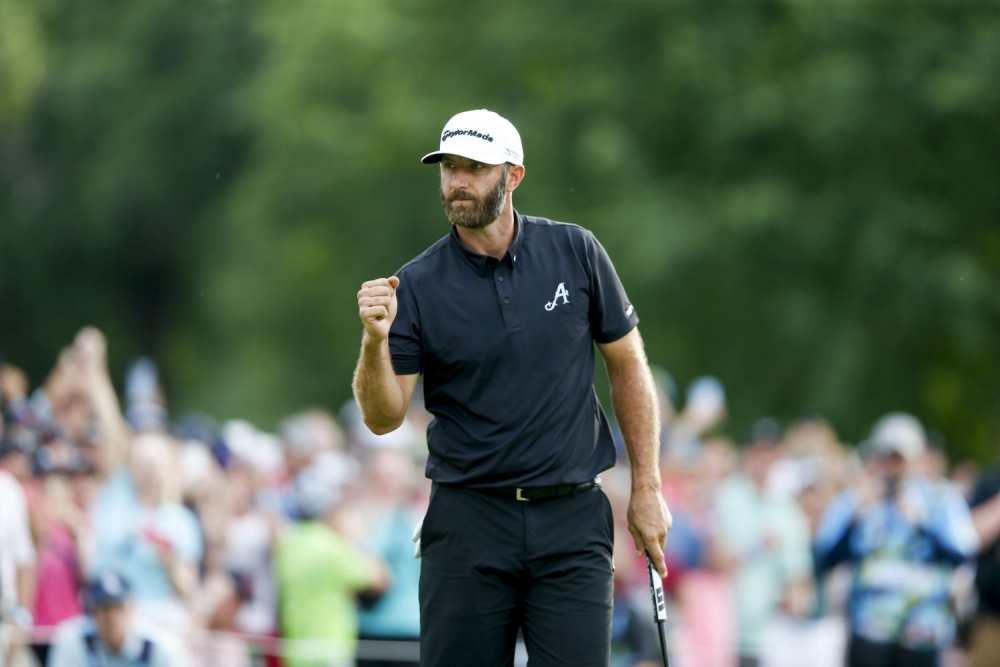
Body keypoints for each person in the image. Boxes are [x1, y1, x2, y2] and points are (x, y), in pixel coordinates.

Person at [352, 108, 672, 666]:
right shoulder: (417, 284)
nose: (457, 182)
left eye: (474, 168)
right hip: (468, 521)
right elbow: (383, 418)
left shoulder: (576, 251)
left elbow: (628, 364)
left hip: (571, 519)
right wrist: (374, 343)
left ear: (513, 175)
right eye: (449, 168)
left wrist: (646, 485)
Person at [815, 413, 978, 667]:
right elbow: (824, 559)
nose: (893, 466)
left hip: (923, 631)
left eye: (899, 458)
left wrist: (923, 522)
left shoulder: (941, 499)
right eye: (887, 457)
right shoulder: (855, 500)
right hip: (870, 631)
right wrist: (855, 517)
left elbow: (964, 555)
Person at [47, 570, 180, 667]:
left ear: (131, 608)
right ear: (92, 612)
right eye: (105, 608)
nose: (112, 617)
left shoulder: (157, 648)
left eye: (118, 607)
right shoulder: (73, 642)